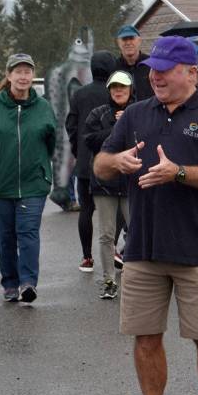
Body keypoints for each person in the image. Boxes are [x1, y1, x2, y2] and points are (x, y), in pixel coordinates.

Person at [93, 35, 198, 395]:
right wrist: (115, 163)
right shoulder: (137, 113)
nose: (154, 75)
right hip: (142, 247)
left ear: (190, 72)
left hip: (195, 248)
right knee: (145, 337)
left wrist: (178, 173)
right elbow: (100, 162)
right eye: (153, 69)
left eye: (164, 69)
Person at [0, 53, 56, 303]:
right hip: (0, 184)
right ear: (9, 75)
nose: (23, 76)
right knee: (6, 236)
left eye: (28, 71)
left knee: (28, 232)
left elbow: (51, 143)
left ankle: (28, 283)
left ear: (33, 76)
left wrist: (41, 168)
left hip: (34, 184)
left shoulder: (43, 107)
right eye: (18, 71)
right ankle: (10, 283)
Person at [84, 70, 136, 299]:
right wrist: (115, 127)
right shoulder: (98, 113)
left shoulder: (140, 111)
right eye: (114, 87)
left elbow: (146, 139)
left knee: (136, 231)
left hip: (131, 181)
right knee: (106, 234)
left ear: (130, 89)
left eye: (122, 87)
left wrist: (125, 123)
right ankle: (108, 281)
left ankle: (136, 278)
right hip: (104, 183)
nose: (118, 91)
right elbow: (90, 140)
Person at [66, 50, 117, 273]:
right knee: (117, 208)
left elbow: (71, 126)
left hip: (85, 161)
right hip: (112, 160)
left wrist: (79, 151)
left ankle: (87, 257)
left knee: (86, 209)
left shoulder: (79, 94)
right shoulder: (116, 92)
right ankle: (113, 249)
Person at [114, 24, 153, 102]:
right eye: (124, 39)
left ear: (139, 41)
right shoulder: (114, 67)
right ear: (118, 42)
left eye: (131, 38)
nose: (128, 43)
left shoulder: (150, 64)